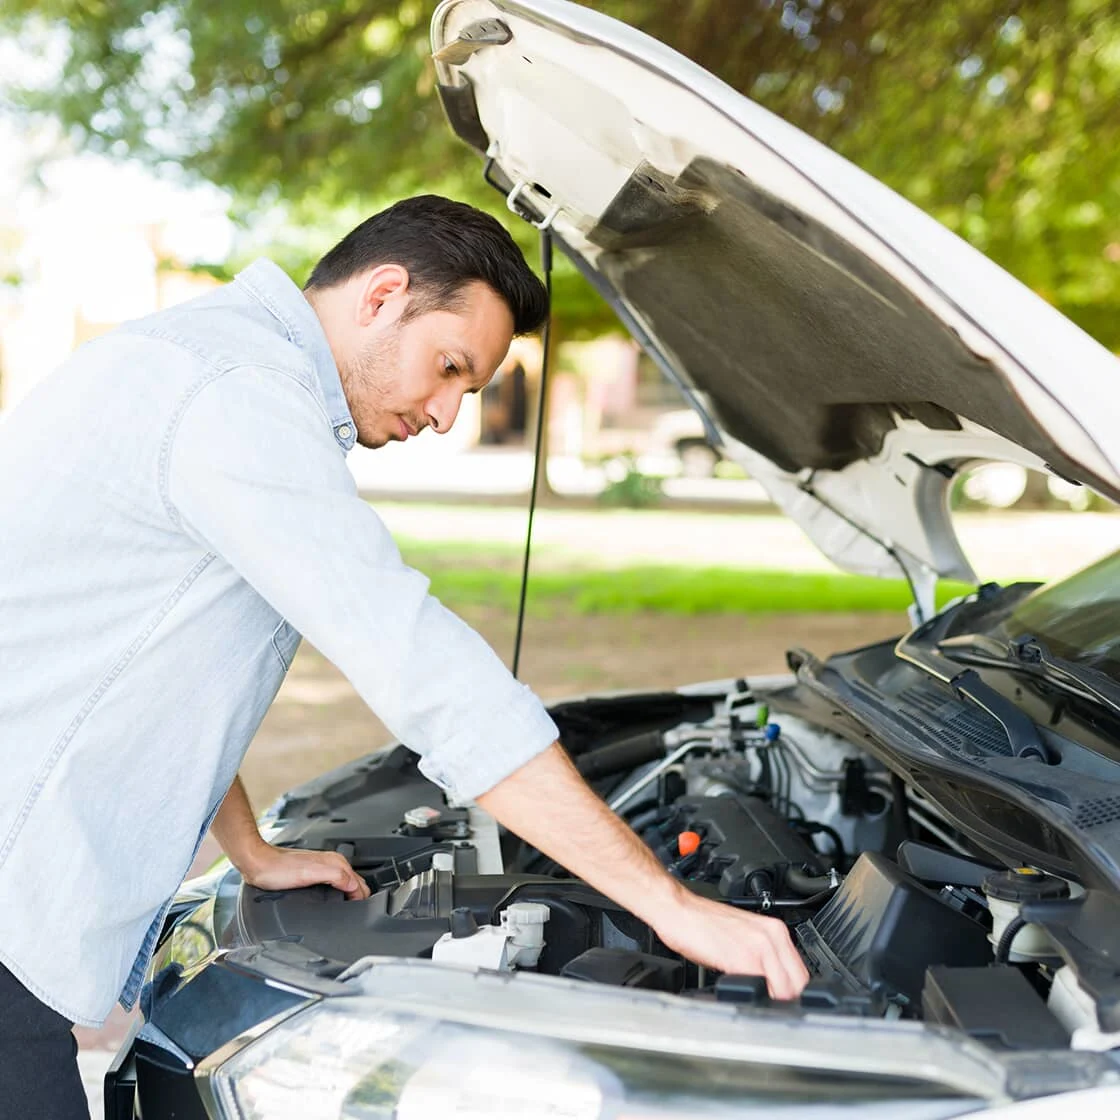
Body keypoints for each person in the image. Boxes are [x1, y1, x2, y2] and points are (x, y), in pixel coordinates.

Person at [0, 195, 807, 1115]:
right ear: (383, 296)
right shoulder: (233, 399)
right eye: (450, 367)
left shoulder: (200, 364)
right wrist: (671, 905)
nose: (447, 413)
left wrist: (249, 850)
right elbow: (416, 662)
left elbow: (145, 656)